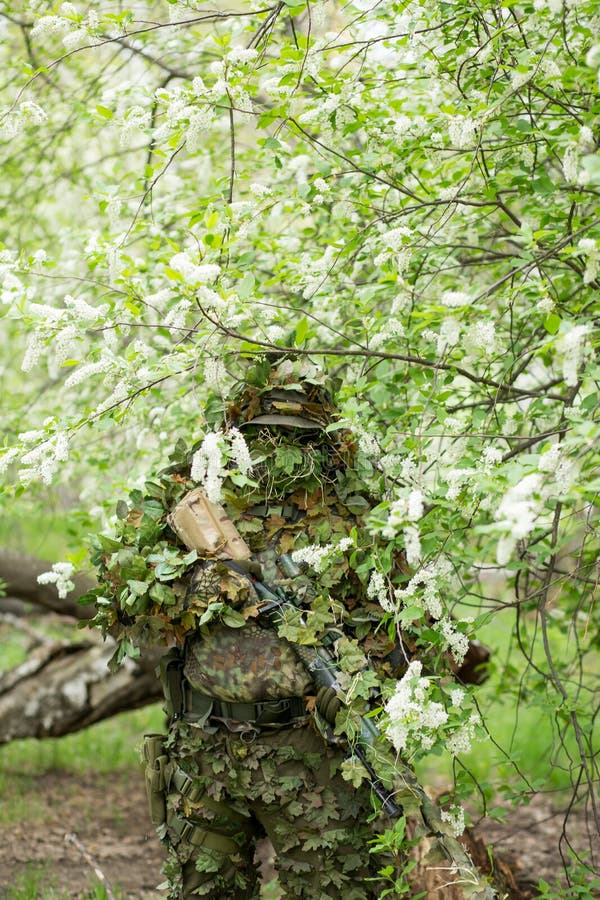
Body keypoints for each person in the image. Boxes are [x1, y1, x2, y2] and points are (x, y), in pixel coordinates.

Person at [88, 358, 490, 898]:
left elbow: (403, 626)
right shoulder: (189, 492)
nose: (281, 449)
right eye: (267, 435)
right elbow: (117, 592)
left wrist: (441, 659)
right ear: (237, 433)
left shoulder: (360, 515)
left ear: (325, 438)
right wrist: (206, 589)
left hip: (318, 758)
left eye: (295, 436)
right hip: (206, 754)